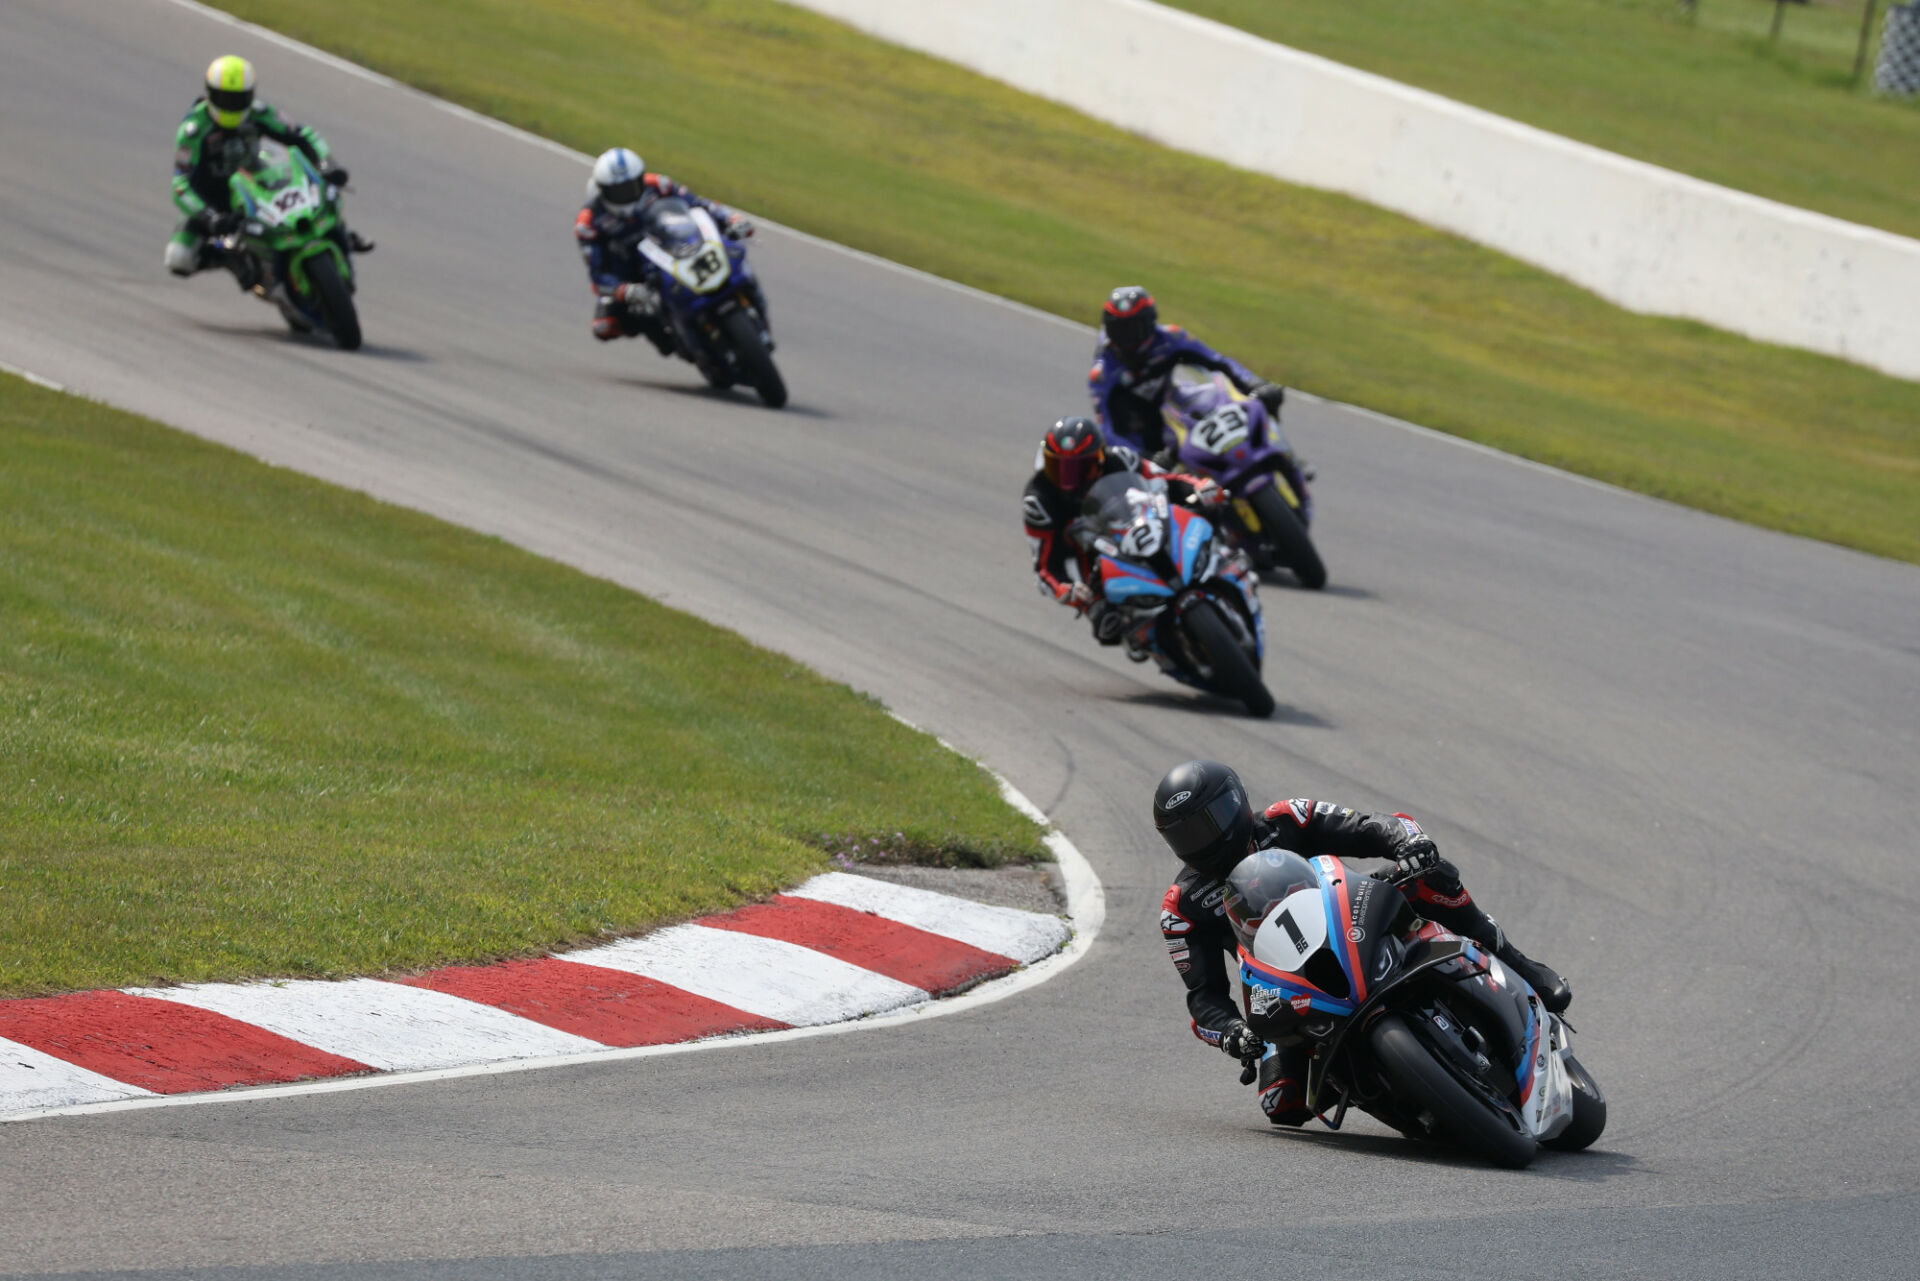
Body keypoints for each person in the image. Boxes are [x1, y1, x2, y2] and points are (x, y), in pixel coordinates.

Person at [1152, 759, 1570, 1127]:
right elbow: (1204, 997)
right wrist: (1231, 1032)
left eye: (1214, 819)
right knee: (1282, 1102)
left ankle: (1516, 962)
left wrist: (1410, 843)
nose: (1208, 838)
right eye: (1189, 834)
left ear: (1238, 801)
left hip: (1350, 918)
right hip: (1283, 981)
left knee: (1432, 873)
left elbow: (1371, 826)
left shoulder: (1287, 818)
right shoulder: (1181, 907)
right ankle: (1386, 1088)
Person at [1023, 416, 1226, 649]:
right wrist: (1064, 589)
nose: (1067, 478)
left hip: (1137, 521)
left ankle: (1213, 551)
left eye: (1078, 469)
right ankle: (1122, 618)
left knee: (1200, 506)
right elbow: (1044, 567)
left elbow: (1164, 478)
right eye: (1056, 466)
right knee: (1104, 620)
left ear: (1098, 460)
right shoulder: (1039, 500)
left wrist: (1197, 487)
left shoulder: (1120, 459)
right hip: (1087, 552)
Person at [166, 55, 369, 287]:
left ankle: (339, 230)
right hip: (213, 200)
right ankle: (232, 259)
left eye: (239, 99)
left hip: (254, 181)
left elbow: (303, 135)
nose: (232, 105)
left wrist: (326, 163)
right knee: (179, 258)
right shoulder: (193, 130)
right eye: (225, 98)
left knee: (315, 188)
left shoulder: (258, 112)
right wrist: (210, 217)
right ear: (210, 94)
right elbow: (180, 186)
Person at [1089, 286, 1304, 490]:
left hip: (1172, 401)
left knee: (1250, 402)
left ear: (1150, 323)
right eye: (1120, 331)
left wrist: (1257, 385)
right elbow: (1108, 431)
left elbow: (1220, 362)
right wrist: (1145, 456)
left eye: (1133, 330)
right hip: (1140, 434)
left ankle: (1285, 458)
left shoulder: (1171, 337)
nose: (1128, 339)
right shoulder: (1103, 373)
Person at [574, 147, 755, 354]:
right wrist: (624, 290)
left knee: (731, 249)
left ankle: (744, 294)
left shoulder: (658, 185)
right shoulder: (589, 223)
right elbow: (598, 274)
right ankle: (674, 339)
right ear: (602, 190)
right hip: (634, 273)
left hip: (675, 244)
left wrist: (731, 218)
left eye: (631, 187)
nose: (627, 196)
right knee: (604, 325)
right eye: (618, 192)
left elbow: (699, 205)